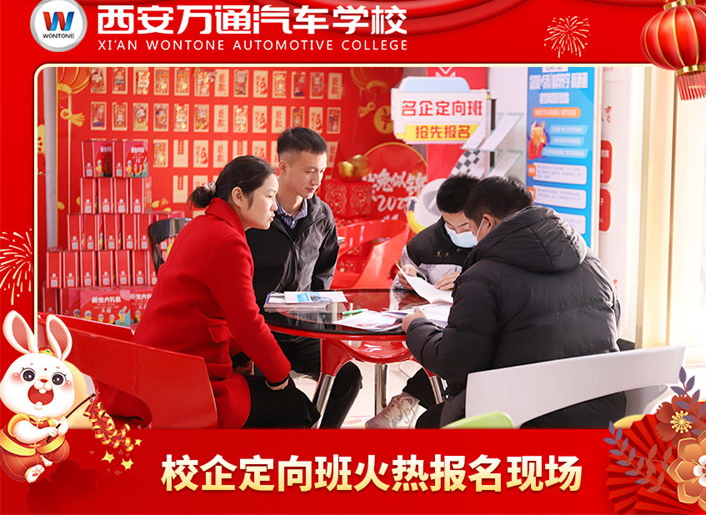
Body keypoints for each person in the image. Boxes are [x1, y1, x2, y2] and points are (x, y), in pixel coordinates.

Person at [102, 156, 319, 428]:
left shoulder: (199, 225)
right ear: (238, 196)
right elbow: (247, 323)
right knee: (296, 407)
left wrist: (246, 358)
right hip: (184, 382)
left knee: (276, 394)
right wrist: (281, 376)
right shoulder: (228, 242)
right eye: (269, 196)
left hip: (156, 368)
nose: (275, 206)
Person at [402, 176, 626, 428]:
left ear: (487, 223)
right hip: (602, 414)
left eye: (471, 231)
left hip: (525, 417)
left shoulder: (482, 277)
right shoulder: (592, 262)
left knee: (428, 424)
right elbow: (612, 326)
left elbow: (453, 364)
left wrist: (417, 326)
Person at [245, 127, 362, 428]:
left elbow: (324, 272)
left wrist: (318, 317)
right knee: (278, 399)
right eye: (309, 171)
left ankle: (321, 444)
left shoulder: (322, 215)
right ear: (282, 167)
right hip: (261, 333)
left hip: (303, 332)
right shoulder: (255, 215)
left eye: (321, 171)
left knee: (349, 377)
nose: (317, 180)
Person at [366, 174, 480, 429]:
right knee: (449, 347)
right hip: (435, 323)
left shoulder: (495, 242)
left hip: (476, 327)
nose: (458, 233)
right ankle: (411, 402)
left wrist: (469, 280)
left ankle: (407, 400)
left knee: (458, 350)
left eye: (464, 227)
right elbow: (400, 297)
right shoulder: (422, 245)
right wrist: (410, 280)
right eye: (449, 226)